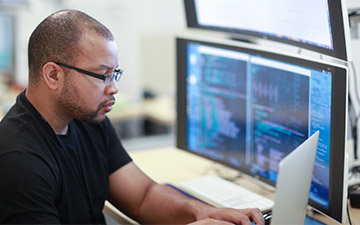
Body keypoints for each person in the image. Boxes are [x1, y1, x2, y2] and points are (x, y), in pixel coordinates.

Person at [0, 10, 264, 225]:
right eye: (102, 75)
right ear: (54, 75)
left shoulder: (88, 119)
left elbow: (143, 197)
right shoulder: (18, 161)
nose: (113, 87)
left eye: (115, 74)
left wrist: (201, 213)